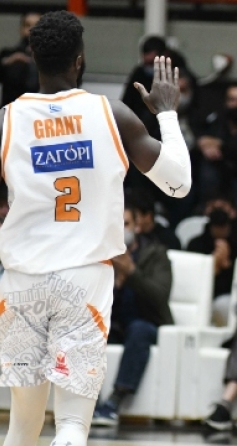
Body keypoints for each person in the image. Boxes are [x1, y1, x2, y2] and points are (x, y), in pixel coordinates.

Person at [0, 11, 191, 446]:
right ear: (80, 60)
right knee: (72, 425)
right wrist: (166, 114)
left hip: (21, 280)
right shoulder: (112, 114)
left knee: (22, 427)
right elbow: (179, 184)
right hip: (83, 279)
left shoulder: (7, 119)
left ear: (34, 58)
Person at [92, 201, 173, 426]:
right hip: (111, 323)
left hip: (145, 321)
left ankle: (115, 400)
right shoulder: (99, 255)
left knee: (139, 330)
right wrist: (113, 284)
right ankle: (91, 401)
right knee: (87, 327)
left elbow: (159, 297)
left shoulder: (156, 254)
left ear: (137, 226)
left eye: (126, 223)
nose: (121, 229)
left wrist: (131, 272)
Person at [0, 12, 41, 106]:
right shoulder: (8, 54)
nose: (31, 30)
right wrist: (7, 62)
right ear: (21, 29)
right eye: (27, 25)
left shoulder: (53, 58)